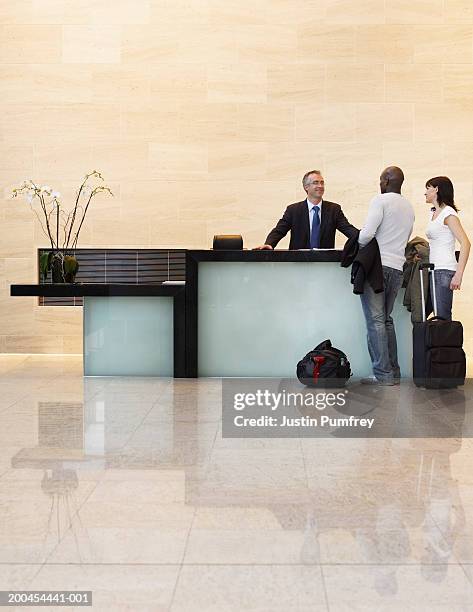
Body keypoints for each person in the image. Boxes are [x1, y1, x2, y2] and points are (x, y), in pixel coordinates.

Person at [359, 166, 415, 385]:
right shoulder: (408, 207)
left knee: (376, 321)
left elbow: (367, 234)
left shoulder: (380, 201)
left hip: (377, 267)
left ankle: (383, 375)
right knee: (386, 319)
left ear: (386, 180)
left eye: (381, 179)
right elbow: (406, 236)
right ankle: (393, 372)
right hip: (397, 267)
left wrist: (360, 243)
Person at [255, 170, 357, 250]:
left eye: (322, 183)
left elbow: (348, 229)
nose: (320, 186)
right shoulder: (293, 210)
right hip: (299, 264)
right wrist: (269, 244)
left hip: (324, 264)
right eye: (316, 183)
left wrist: (365, 238)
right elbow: (279, 231)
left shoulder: (334, 209)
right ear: (306, 187)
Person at [425, 176, 470, 321]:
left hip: (443, 271)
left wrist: (459, 274)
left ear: (436, 189)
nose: (425, 193)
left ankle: (445, 344)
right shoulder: (434, 213)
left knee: (442, 318)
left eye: (428, 188)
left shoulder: (448, 214)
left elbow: (466, 243)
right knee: (437, 318)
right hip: (434, 270)